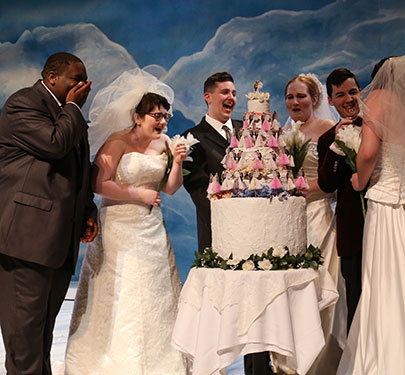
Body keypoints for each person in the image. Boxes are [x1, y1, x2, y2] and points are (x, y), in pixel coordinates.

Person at [54, 69, 189, 374]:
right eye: (156, 115)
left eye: (166, 115)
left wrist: (177, 163)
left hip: (152, 229)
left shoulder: (165, 143)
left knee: (156, 290)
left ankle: (160, 361)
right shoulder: (117, 141)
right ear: (138, 116)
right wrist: (136, 193)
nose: (163, 121)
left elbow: (169, 188)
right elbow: (98, 183)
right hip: (118, 226)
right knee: (122, 289)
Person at [0, 52, 98, 375]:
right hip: (25, 245)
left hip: (57, 247)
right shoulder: (23, 104)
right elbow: (54, 144)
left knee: (41, 343)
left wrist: (88, 209)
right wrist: (73, 108)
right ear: (52, 77)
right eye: (76, 79)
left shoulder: (71, 116)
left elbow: (78, 171)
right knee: (24, 349)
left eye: (84, 80)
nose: (83, 86)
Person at [338, 56, 405, 375]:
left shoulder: (378, 99)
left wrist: (359, 181)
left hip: (385, 204)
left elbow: (366, 152)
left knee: (385, 285)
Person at [284, 74, 347, 373]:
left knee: (322, 288)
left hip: (320, 217)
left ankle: (322, 362)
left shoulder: (329, 131)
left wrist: (301, 188)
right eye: (290, 97)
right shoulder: (282, 134)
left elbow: (333, 183)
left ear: (316, 100)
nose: (295, 102)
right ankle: (292, 359)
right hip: (288, 221)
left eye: (301, 97)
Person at [317, 68, 363, 332]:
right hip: (350, 230)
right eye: (341, 94)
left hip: (381, 221)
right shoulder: (327, 139)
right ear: (331, 100)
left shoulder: (375, 127)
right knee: (355, 298)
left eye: (353, 92)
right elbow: (326, 184)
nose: (349, 100)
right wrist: (336, 147)